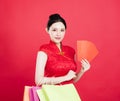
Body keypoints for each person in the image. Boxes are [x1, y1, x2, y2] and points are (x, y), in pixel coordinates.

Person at [35, 13, 90, 86]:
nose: (58, 34)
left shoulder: (71, 51)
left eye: (62, 30)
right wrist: (65, 77)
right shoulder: (44, 50)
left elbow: (72, 79)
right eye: (54, 30)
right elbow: (38, 81)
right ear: (47, 30)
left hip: (69, 93)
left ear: (65, 31)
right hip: (51, 94)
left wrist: (82, 70)